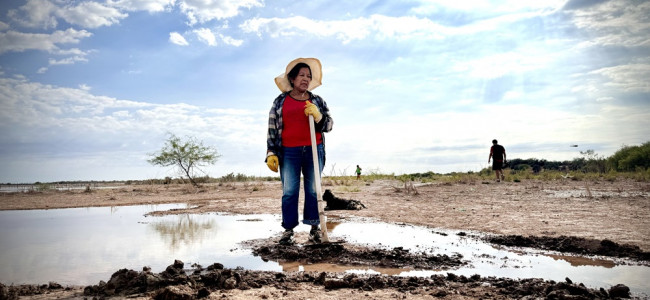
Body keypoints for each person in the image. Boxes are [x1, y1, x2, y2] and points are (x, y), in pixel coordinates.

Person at [265, 58, 333, 245]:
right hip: (289, 152)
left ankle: (314, 229)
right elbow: (272, 128)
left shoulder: (317, 100)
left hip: (313, 149)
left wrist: (318, 116)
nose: (305, 79)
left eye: (309, 76)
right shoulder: (280, 101)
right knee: (289, 191)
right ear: (293, 79)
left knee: (313, 190)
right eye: (302, 75)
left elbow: (329, 125)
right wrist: (271, 152)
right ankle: (288, 230)